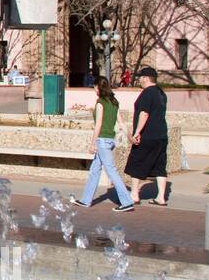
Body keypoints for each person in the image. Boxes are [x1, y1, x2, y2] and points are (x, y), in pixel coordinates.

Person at [70, 78, 135, 211]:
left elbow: (98, 124)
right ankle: (86, 200)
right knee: (95, 170)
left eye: (94, 87)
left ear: (98, 88)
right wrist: (130, 137)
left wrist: (92, 143)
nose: (94, 90)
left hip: (102, 140)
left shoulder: (100, 103)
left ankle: (127, 201)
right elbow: (121, 123)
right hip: (110, 140)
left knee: (111, 171)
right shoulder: (114, 102)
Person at [125, 66, 169, 206]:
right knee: (160, 165)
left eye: (140, 77)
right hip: (161, 135)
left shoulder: (147, 93)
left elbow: (144, 114)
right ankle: (161, 197)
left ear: (145, 78)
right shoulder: (161, 93)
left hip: (147, 135)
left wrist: (137, 132)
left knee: (137, 161)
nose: (139, 79)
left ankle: (134, 195)